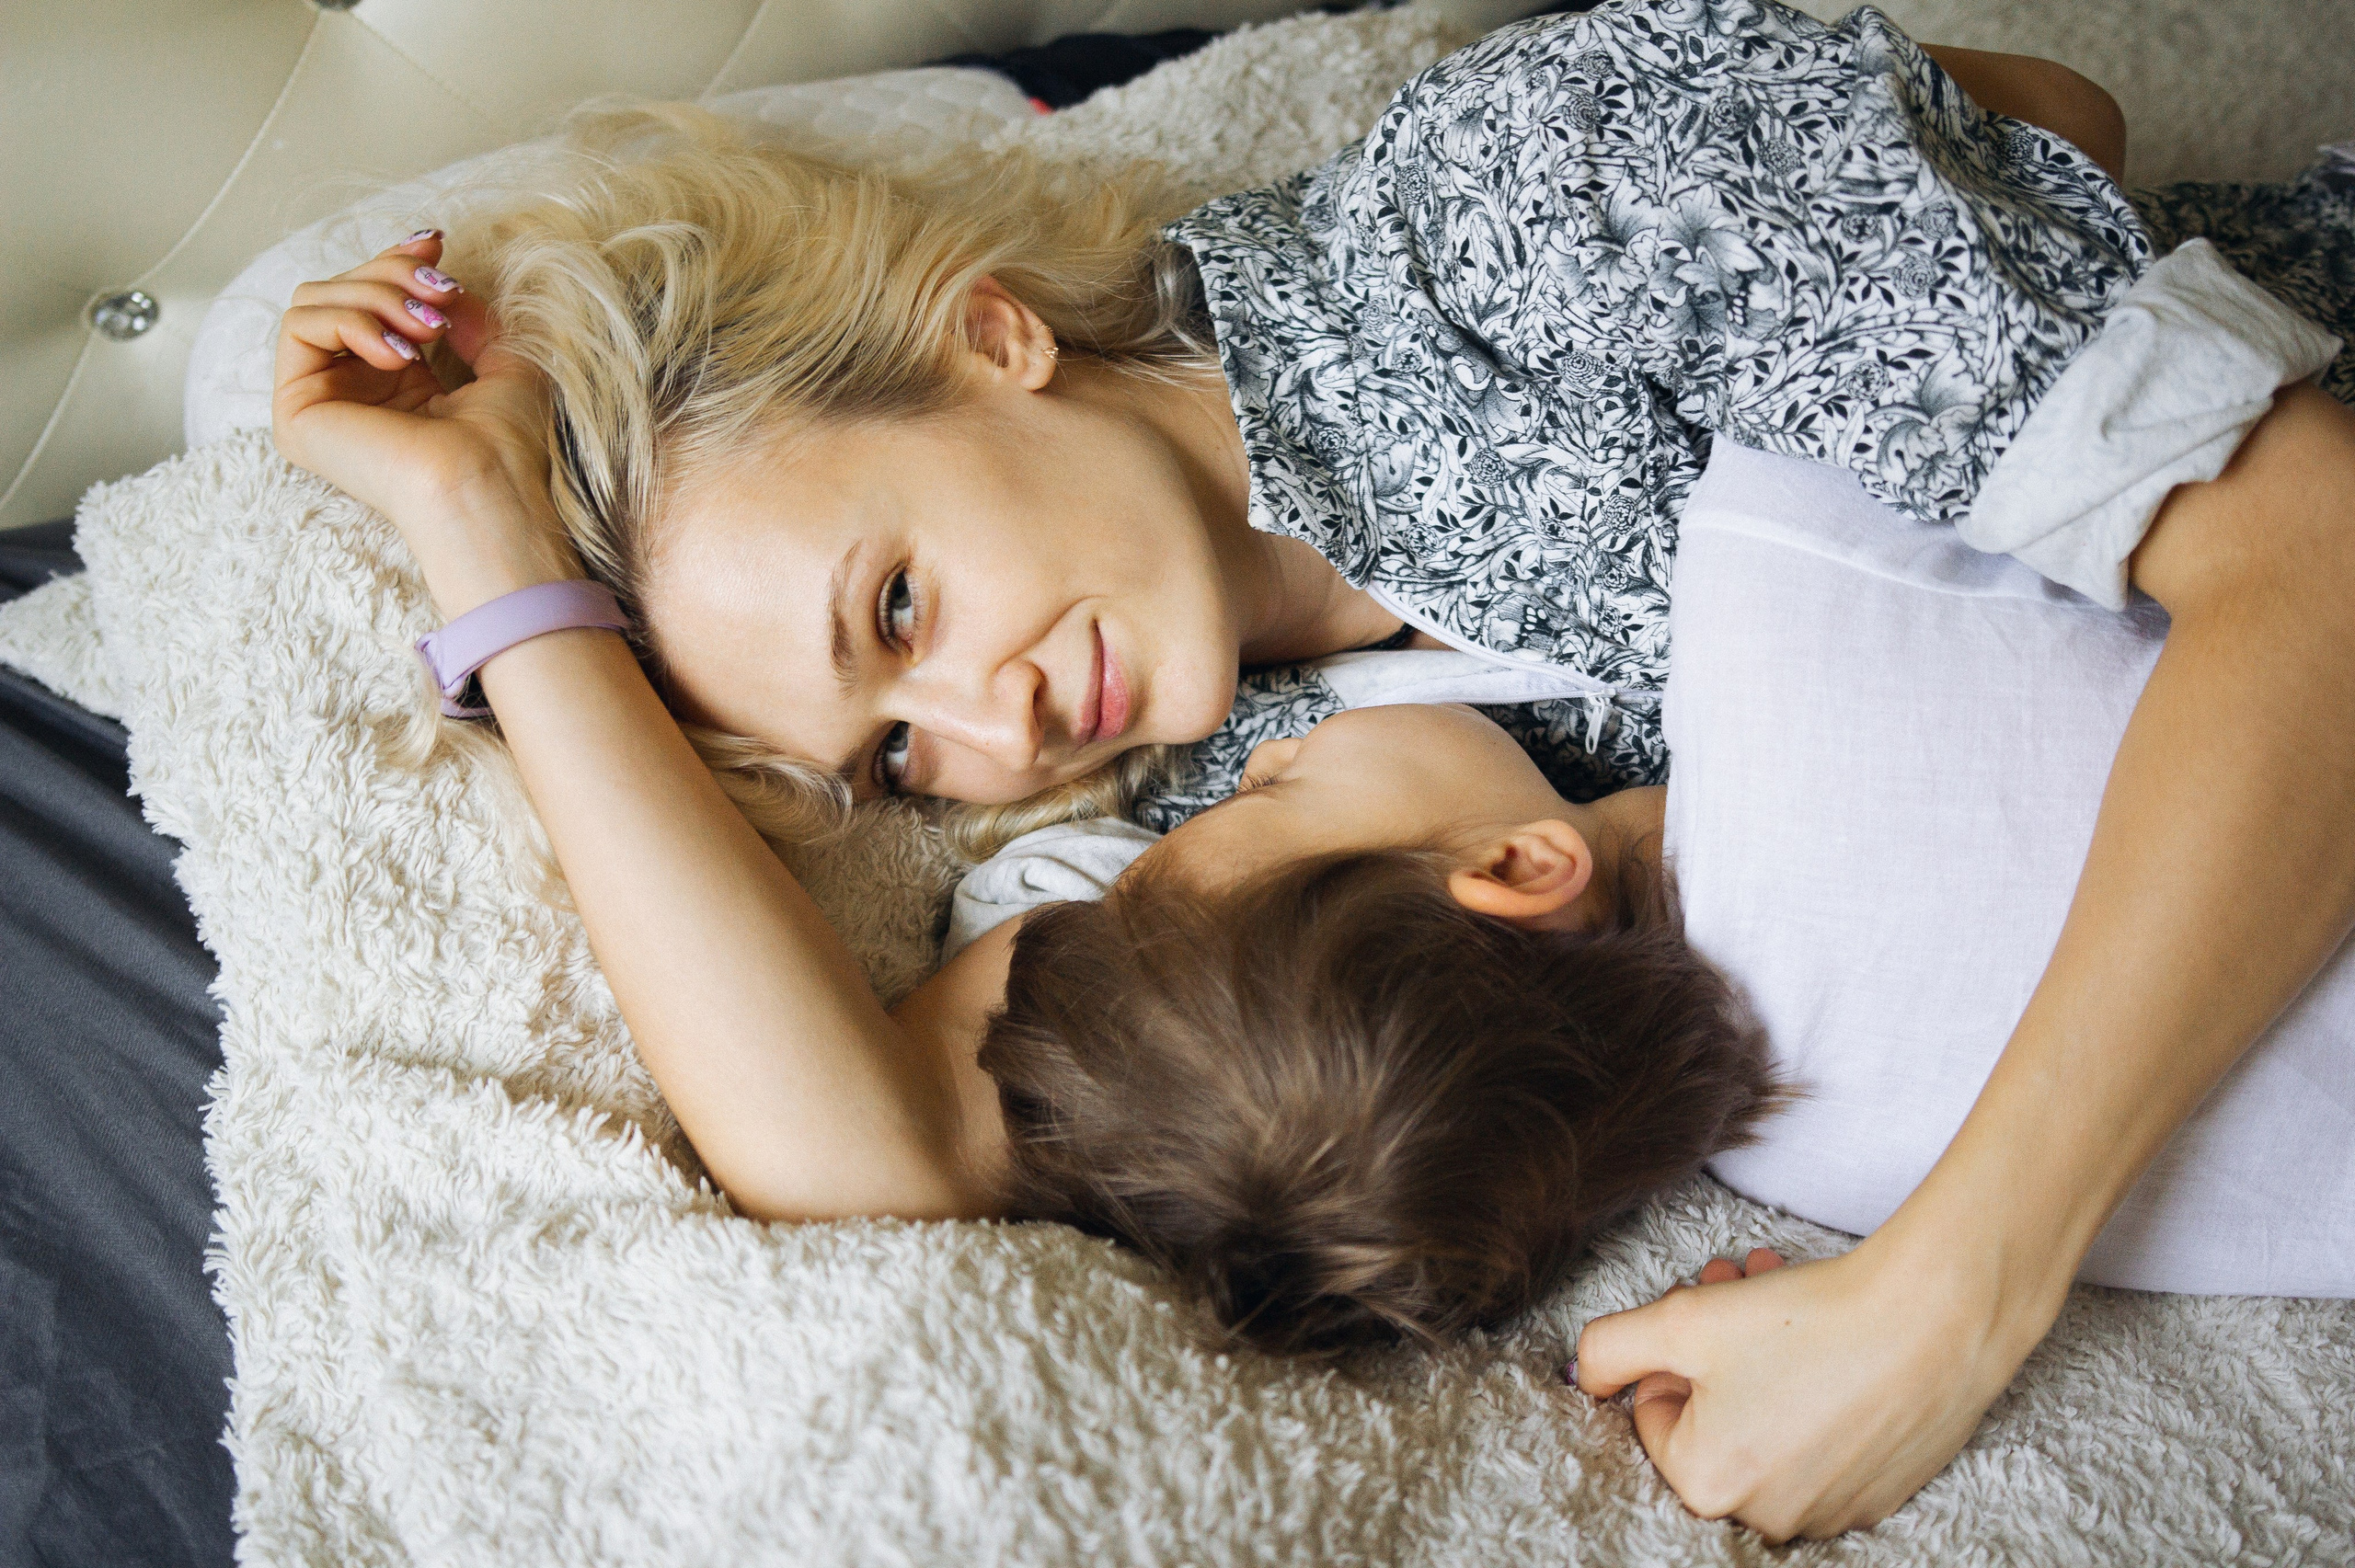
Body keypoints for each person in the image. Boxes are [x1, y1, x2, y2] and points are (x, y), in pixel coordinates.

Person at [267, 0, 2355, 1538]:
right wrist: (486, 551)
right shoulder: (1219, 818)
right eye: (896, 755)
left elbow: (2313, 554)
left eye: (895, 609)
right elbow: (873, 1145)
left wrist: (1942, 1292)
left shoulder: (1509, 217)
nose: (991, 735)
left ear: (984, 338)